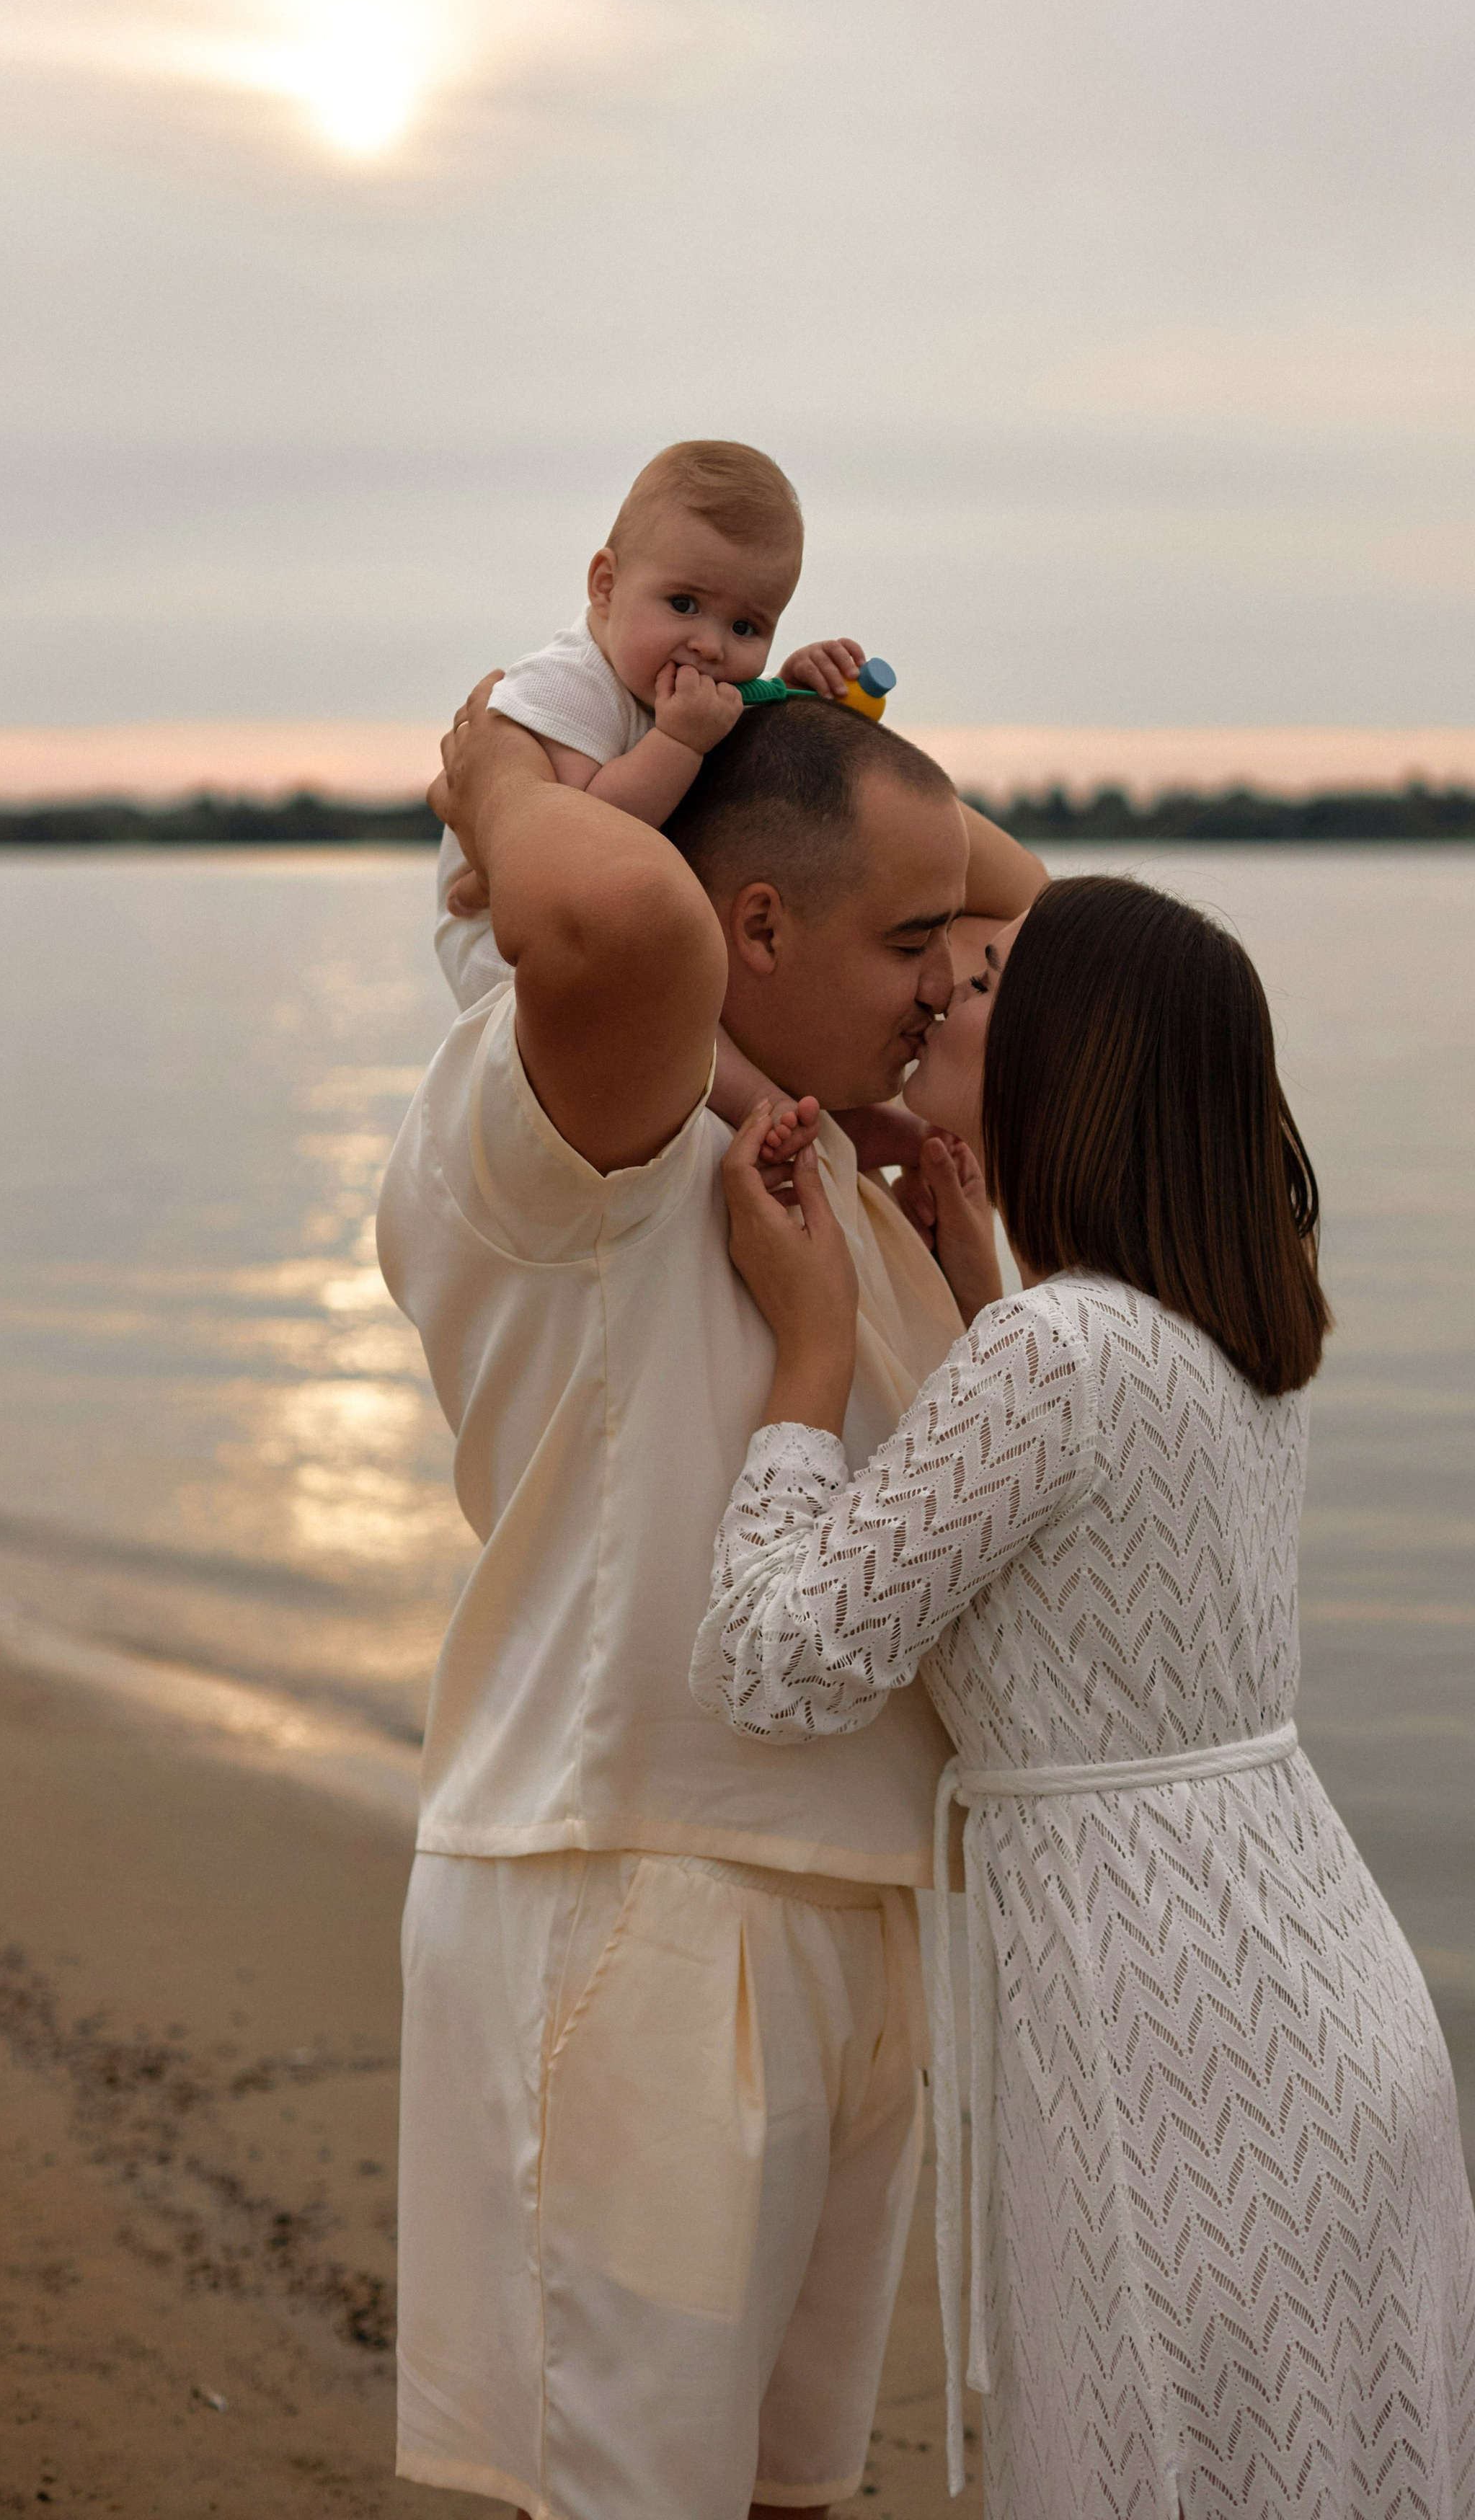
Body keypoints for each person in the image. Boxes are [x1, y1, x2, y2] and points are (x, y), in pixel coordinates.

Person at [694, 874, 1475, 2520]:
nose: (934, 994)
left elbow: (775, 1660)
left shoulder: (1051, 1357)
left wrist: (807, 1356)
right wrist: (979, 1280)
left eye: (982, 977)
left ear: (1078, 1051)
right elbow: (1082, 1566)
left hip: (1162, 2015)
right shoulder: (1214, 1337)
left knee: (1155, 2455)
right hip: (1318, 1996)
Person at [376, 680, 1045, 2520]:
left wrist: (769, 714)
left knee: (792, 2493)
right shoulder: (583, 1122)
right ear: (753, 927)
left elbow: (1032, 911)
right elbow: (613, 913)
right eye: (908, 940)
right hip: (640, 1901)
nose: (948, 977)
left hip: (853, 1907)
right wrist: (504, 766)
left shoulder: (840, 1156)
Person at [484, 437, 868, 825]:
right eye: (683, 604)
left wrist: (783, 697)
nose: (710, 647)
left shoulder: (692, 704)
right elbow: (581, 832)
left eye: (744, 627)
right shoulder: (562, 687)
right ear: (607, 586)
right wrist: (678, 743)